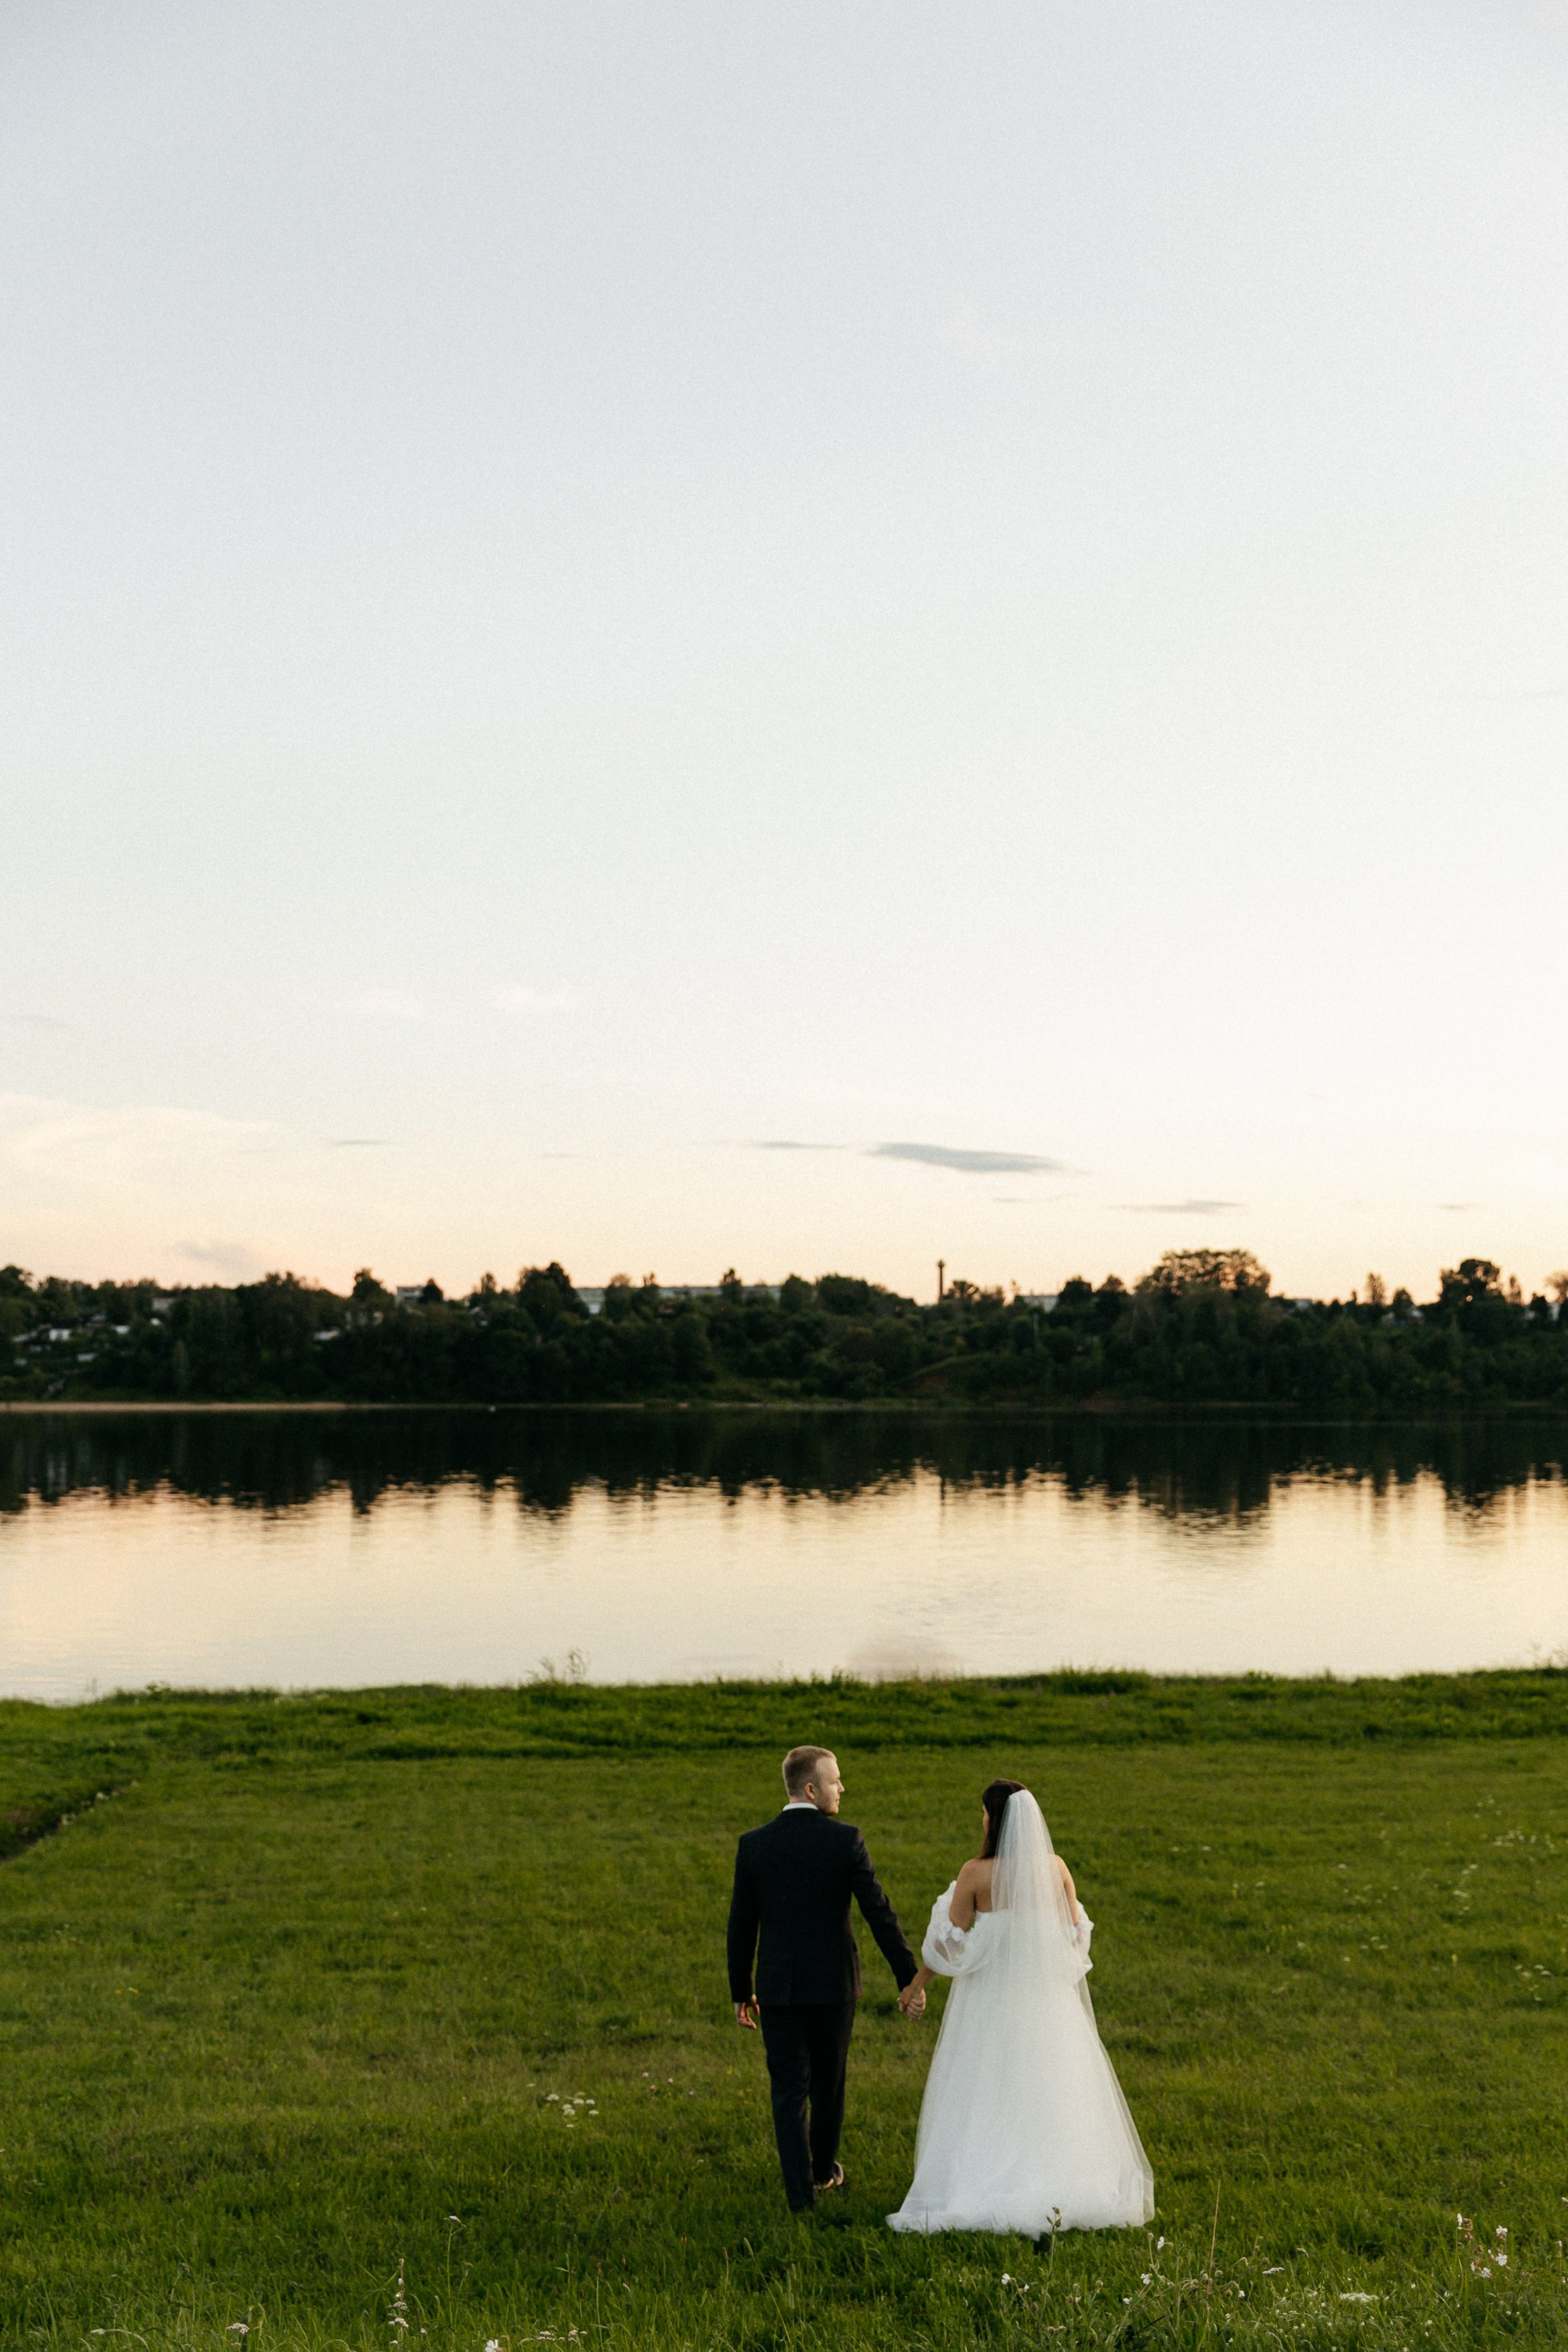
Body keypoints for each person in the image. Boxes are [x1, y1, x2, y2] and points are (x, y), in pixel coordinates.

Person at [887, 1777, 1153, 2238]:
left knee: (987, 2083)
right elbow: (1075, 1936)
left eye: (984, 1812)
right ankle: (1060, 2177)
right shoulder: (1056, 1868)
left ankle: (984, 2177)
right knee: (1051, 2085)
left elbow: (948, 1945)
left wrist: (915, 1986)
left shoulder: (976, 1874)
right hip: (1047, 2002)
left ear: (994, 1820)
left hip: (989, 2000)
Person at [728, 1744, 921, 2213]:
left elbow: (741, 1925)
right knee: (829, 2082)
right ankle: (822, 2171)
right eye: (835, 1781)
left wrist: (740, 1989)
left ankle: (801, 2197)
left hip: (778, 1987)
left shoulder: (754, 1844)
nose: (842, 1788)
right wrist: (908, 1978)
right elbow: (879, 1912)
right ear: (812, 1789)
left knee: (788, 2089)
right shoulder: (845, 1840)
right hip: (835, 1986)